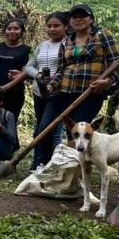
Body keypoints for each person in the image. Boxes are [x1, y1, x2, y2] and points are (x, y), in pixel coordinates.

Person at [48, 4, 119, 126]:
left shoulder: (103, 35)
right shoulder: (65, 42)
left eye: (83, 16)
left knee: (81, 125)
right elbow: (61, 70)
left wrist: (108, 81)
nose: (78, 19)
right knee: (71, 130)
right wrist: (51, 85)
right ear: (70, 21)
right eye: (74, 17)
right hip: (66, 92)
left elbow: (116, 64)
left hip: (90, 93)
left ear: (91, 19)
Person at [26, 11, 69, 169]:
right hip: (39, 92)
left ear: (66, 26)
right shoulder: (42, 45)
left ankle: (41, 163)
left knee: (45, 128)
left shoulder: (69, 44)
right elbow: (29, 66)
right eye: (49, 26)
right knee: (40, 127)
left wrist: (54, 80)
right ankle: (38, 163)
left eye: (56, 26)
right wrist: (37, 75)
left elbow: (68, 69)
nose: (52, 29)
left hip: (57, 94)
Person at [0, 18, 31, 122]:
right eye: (9, 29)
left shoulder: (26, 50)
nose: (12, 31)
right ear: (4, 31)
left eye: (16, 28)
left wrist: (5, 88)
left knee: (10, 122)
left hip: (15, 94)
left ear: (22, 31)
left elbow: (24, 72)